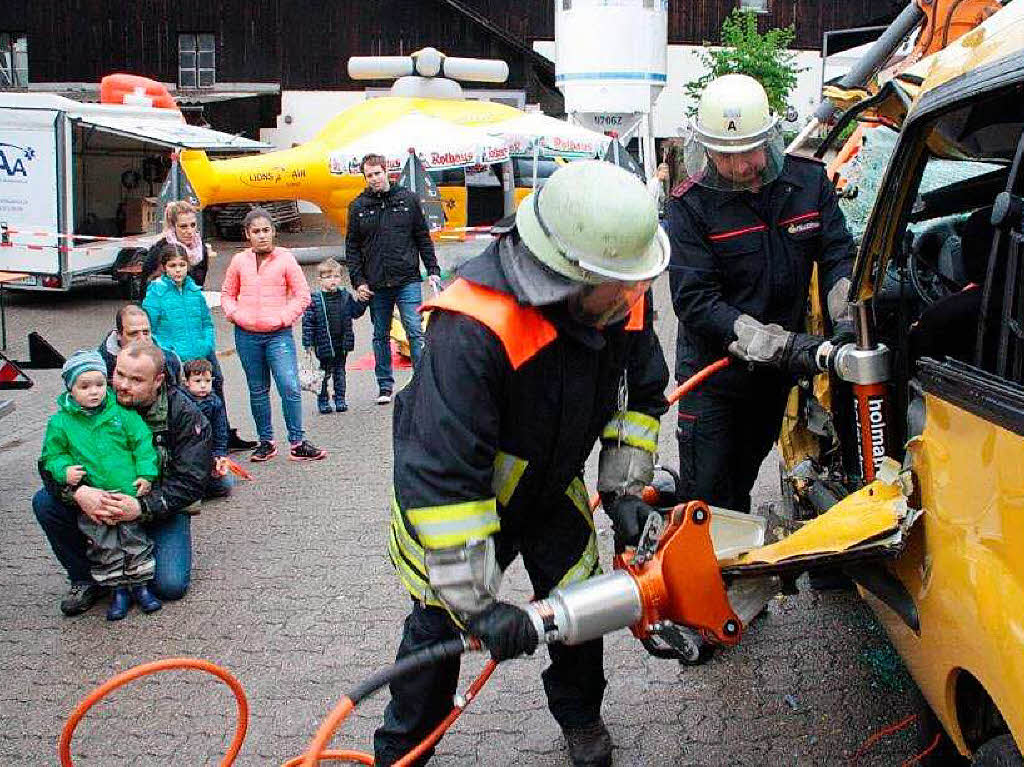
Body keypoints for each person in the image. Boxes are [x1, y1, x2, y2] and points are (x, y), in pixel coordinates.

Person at [374, 160, 670, 767]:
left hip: (549, 487)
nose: (635, 298)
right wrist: (479, 607)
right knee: (435, 641)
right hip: (455, 505)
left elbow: (637, 401)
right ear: (566, 275)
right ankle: (402, 754)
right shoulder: (473, 325)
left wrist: (623, 494)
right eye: (621, 286)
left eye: (637, 283)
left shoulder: (620, 297)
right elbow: (443, 476)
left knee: (581, 611)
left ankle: (581, 716)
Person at [665, 73, 855, 513]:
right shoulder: (691, 205)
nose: (738, 166)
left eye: (748, 151)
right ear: (706, 148)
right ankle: (706, 573)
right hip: (714, 377)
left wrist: (845, 320)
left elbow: (837, 256)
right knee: (708, 499)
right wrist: (784, 346)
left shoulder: (808, 185)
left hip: (770, 382)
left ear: (768, 137)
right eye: (725, 155)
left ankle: (734, 569)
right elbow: (696, 301)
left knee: (743, 483)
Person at [33, 342, 211, 616]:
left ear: (158, 380)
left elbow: (192, 481)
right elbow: (48, 463)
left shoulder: (184, 414)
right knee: (45, 502)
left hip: (159, 506)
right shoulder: (88, 396)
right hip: (99, 501)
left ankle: (133, 567)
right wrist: (79, 493)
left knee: (171, 585)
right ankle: (87, 578)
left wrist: (140, 507)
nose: (122, 385)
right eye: (119, 374)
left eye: (136, 379)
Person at [40, 349, 163, 621]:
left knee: (135, 541)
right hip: (96, 501)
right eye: (84, 386)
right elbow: (52, 455)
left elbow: (142, 443)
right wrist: (64, 471)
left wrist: (146, 473)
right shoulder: (61, 423)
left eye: (99, 384)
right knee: (103, 545)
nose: (94, 392)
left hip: (126, 493)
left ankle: (141, 587)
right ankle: (117, 591)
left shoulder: (121, 414)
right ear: (70, 389)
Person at [221, 207, 326, 462]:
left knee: (289, 386)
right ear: (247, 234)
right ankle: (266, 441)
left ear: (274, 232)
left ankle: (298, 441)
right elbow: (227, 294)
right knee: (257, 390)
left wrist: (283, 318)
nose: (261, 236)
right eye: (256, 231)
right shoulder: (239, 261)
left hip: (278, 334)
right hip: (246, 335)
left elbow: (303, 295)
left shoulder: (286, 259)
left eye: (266, 230)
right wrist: (236, 315)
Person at [345, 153, 441, 405]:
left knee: (413, 328)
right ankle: (385, 386)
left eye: (378, 173)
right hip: (376, 282)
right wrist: (358, 281)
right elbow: (352, 248)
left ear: (387, 172)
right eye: (369, 175)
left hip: (407, 277)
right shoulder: (358, 207)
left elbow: (422, 237)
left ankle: (421, 382)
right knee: (380, 334)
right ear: (364, 178)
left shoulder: (407, 200)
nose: (375, 179)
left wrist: (433, 269)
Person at [98, 304, 255, 451]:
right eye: (133, 334)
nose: (142, 339)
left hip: (166, 440)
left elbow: (184, 409)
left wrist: (215, 451)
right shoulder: (98, 368)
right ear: (118, 335)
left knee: (222, 480)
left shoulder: (170, 361)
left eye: (146, 332)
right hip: (119, 446)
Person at [302, 257, 368, 413]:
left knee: (340, 371)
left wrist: (363, 301)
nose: (333, 280)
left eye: (337, 276)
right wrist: (308, 343)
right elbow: (308, 323)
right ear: (320, 280)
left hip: (341, 342)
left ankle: (340, 398)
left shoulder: (345, 296)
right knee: (324, 373)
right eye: (329, 277)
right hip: (323, 343)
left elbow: (355, 312)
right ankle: (323, 399)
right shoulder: (315, 299)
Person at [180, 358, 233, 499]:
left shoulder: (215, 403)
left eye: (207, 381)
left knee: (226, 485)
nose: (203, 386)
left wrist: (219, 455)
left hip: (207, 453)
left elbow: (220, 431)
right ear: (186, 382)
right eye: (197, 381)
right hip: (185, 454)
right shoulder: (180, 402)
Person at [142, 200, 215, 288]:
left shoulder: (201, 248)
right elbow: (145, 284)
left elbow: (200, 284)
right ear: (173, 227)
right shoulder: (159, 249)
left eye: (193, 225)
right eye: (183, 226)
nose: (190, 231)